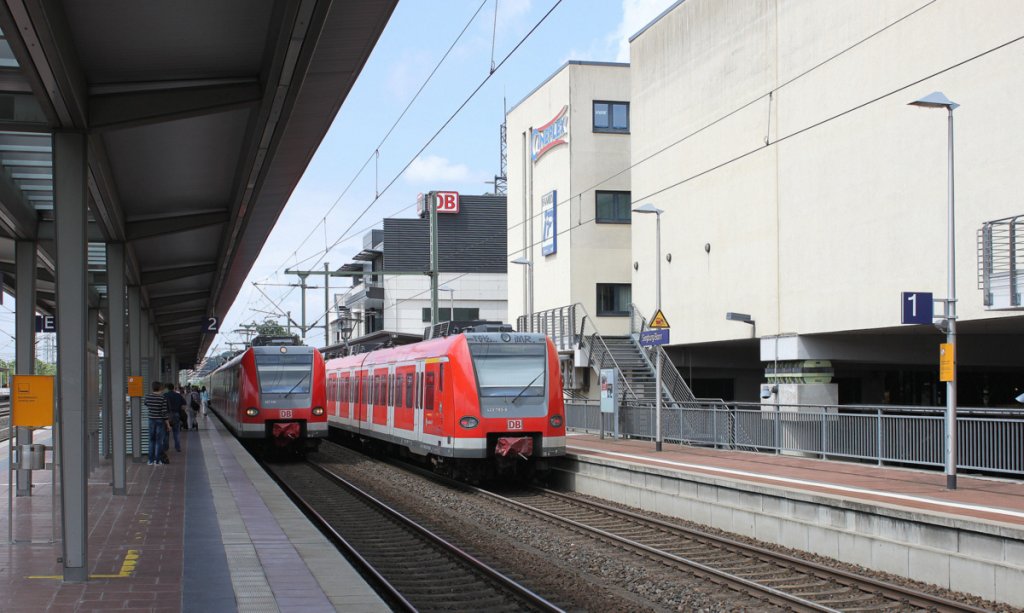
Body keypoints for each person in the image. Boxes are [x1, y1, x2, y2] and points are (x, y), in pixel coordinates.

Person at [144, 381, 170, 466]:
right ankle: (157, 461)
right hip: (160, 421)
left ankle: (150, 460)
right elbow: (164, 413)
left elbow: (146, 404)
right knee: (159, 441)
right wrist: (168, 425)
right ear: (160, 388)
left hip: (151, 420)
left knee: (151, 440)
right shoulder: (162, 398)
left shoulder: (148, 397)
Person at [164, 384, 186, 453]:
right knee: (176, 432)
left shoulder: (165, 395)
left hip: (167, 416)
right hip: (176, 415)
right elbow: (184, 404)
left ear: (167, 388)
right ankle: (177, 447)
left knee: (166, 432)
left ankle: (166, 447)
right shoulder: (178, 395)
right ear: (173, 388)